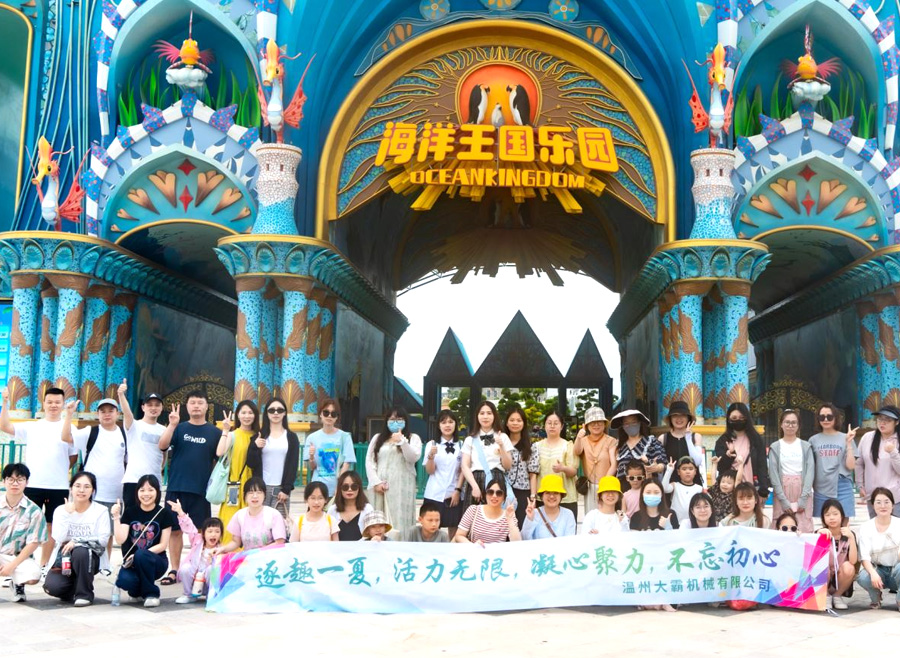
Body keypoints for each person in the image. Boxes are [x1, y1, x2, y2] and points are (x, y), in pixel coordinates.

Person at [0, 386, 76, 570]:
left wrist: (59, 470)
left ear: (63, 404)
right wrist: (5, 402)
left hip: (58, 486)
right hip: (33, 484)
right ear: (44, 403)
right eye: (49, 402)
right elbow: (5, 426)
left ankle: (44, 564)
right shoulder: (32, 426)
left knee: (51, 526)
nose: (53, 405)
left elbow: (73, 456)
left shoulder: (69, 427)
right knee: (25, 523)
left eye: (57, 402)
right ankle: (22, 562)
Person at [158, 391, 224, 585]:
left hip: (201, 490)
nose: (196, 406)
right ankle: (174, 569)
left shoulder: (214, 432)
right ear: (187, 406)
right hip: (177, 487)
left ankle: (199, 568)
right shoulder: (179, 428)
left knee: (202, 532)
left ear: (206, 406)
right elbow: (162, 446)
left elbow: (219, 458)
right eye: (192, 402)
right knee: (175, 531)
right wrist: (171, 425)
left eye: (200, 403)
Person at [62, 397, 126, 560]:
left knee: (108, 533)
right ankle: (86, 563)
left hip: (115, 493)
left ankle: (105, 565)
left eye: (110, 411)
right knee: (87, 529)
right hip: (91, 493)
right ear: (97, 414)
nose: (107, 414)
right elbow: (66, 437)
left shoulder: (124, 434)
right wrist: (69, 414)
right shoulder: (90, 432)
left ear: (117, 413)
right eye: (103, 411)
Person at [43, 472, 111, 607]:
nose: (81, 490)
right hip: (64, 557)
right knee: (53, 587)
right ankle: (74, 587)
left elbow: (103, 540)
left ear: (93, 490)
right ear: (71, 489)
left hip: (90, 557)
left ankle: (84, 595)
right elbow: (58, 537)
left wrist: (76, 541)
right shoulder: (61, 510)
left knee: (81, 551)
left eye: (87, 487)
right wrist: (67, 514)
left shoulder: (101, 511)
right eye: (77, 486)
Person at [111, 474, 172, 607]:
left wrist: (139, 555)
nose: (146, 494)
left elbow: (163, 545)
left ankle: (151, 594)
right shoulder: (130, 512)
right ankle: (137, 591)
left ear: (157, 492)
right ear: (137, 492)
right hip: (132, 564)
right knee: (124, 581)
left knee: (141, 555)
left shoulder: (164, 513)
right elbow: (120, 539)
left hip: (156, 561)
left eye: (150, 490)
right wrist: (116, 517)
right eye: (142, 490)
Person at [366, 406, 423, 536]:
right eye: (392, 419)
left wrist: (402, 442)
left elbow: (412, 458)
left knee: (400, 520)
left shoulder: (413, 438)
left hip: (402, 486)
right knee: (379, 520)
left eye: (399, 419)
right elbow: (369, 460)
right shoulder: (377, 438)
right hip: (380, 486)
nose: (395, 422)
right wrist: (376, 482)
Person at [246, 397, 300, 518]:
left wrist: (286, 489)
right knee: (259, 523)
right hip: (260, 488)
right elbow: (251, 463)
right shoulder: (259, 436)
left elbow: (293, 465)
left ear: (285, 413)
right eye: (272, 410)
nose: (276, 413)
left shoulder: (291, 437)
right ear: (266, 413)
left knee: (279, 524)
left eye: (279, 410)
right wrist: (255, 447)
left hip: (281, 489)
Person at [0, 463, 47, 602]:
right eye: (11, 479)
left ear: (27, 482)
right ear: (4, 481)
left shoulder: (34, 511)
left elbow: (33, 543)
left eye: (20, 479)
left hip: (17, 557)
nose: (15, 483)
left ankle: (17, 583)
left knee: (33, 575)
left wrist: (11, 566)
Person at [117, 382, 166, 514]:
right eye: (149, 405)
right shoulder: (134, 425)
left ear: (161, 408)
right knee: (130, 518)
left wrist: (158, 469)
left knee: (151, 520)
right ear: (143, 407)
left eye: (157, 405)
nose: (153, 408)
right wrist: (121, 395)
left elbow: (164, 453)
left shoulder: (164, 430)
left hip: (154, 482)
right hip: (133, 480)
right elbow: (127, 412)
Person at [216, 400, 259, 543]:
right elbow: (220, 452)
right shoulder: (233, 435)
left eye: (250, 413)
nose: (247, 416)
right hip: (234, 487)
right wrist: (225, 430)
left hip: (252, 488)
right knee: (230, 524)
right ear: (238, 415)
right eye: (243, 412)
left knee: (251, 525)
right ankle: (229, 554)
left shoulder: (258, 436)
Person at [767, 409, 815, 533]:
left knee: (803, 525)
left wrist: (803, 498)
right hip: (782, 489)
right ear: (781, 424)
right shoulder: (775, 447)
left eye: (794, 422)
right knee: (781, 524)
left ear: (798, 425)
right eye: (787, 422)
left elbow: (810, 472)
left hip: (802, 488)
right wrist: (783, 500)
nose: (790, 425)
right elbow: (773, 474)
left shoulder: (806, 446)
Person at [459, 401, 513, 510]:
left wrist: (501, 446)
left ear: (494, 416)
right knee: (473, 516)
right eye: (482, 413)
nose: (485, 416)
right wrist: (474, 486)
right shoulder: (470, 439)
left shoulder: (503, 437)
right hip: (475, 480)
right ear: (477, 416)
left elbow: (508, 466)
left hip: (497, 480)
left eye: (489, 413)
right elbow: (464, 466)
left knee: (497, 516)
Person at [809, 404, 858, 518]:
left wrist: (848, 443)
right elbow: (811, 467)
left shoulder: (846, 437)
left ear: (836, 418)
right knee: (823, 521)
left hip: (842, 484)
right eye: (822, 417)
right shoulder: (813, 440)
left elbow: (851, 466)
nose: (826, 420)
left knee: (844, 521)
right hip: (821, 485)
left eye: (829, 417)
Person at [215, 477, 287, 554]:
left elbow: (279, 542)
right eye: (251, 492)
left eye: (259, 492)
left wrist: (258, 553)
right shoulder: (240, 515)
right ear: (245, 496)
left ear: (264, 495)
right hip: (248, 559)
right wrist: (222, 549)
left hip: (269, 559)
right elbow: (236, 542)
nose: (255, 496)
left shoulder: (273, 514)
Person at [422, 409, 464, 538]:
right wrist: (431, 456)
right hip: (434, 494)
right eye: (443, 422)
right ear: (439, 425)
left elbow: (463, 470)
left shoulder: (461, 445)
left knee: (455, 530)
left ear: (455, 424)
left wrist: (457, 490)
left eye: (451, 422)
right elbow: (430, 471)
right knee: (431, 530)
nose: (447, 425)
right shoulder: (432, 444)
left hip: (454, 494)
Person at [169, 503, 223, 604]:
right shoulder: (197, 541)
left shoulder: (221, 549)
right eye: (210, 531)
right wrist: (180, 512)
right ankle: (188, 595)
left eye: (217, 531)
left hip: (209, 585)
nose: (213, 534)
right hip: (194, 580)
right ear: (203, 533)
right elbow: (189, 527)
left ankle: (212, 596)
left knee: (212, 569)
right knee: (185, 568)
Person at [714, 402, 769, 501]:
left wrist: (763, 490)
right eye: (734, 418)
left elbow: (762, 465)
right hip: (729, 493)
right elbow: (721, 467)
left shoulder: (756, 440)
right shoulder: (723, 441)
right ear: (728, 419)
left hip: (751, 489)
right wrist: (729, 456)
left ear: (747, 418)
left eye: (741, 418)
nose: (738, 420)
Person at [856, 488, 900, 609]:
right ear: (873, 506)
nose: (883, 506)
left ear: (892, 505)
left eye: (886, 502)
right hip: (878, 570)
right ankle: (876, 596)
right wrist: (873, 573)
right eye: (878, 502)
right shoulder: (866, 527)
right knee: (864, 577)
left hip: (897, 570)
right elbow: (864, 557)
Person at [304, 399, 355, 498]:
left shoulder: (345, 437)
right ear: (320, 414)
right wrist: (311, 456)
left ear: (337, 417)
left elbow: (347, 463)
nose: (329, 416)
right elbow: (312, 467)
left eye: (333, 414)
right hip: (318, 488)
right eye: (326, 413)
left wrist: (340, 485)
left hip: (337, 489)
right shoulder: (312, 438)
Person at [855, 406, 900, 518]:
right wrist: (860, 485)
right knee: (875, 527)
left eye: (888, 420)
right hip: (872, 496)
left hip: (894, 497)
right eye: (880, 419)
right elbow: (859, 463)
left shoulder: (897, 441)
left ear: (897, 422)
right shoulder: (867, 438)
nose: (882, 423)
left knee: (895, 527)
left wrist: (893, 452)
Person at [573, 406, 617, 513]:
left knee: (606, 515)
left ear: (604, 424)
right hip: (589, 486)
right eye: (592, 422)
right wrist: (578, 437)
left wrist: (605, 484)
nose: (596, 425)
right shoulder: (583, 440)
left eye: (599, 422)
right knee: (590, 516)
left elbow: (614, 464)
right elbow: (577, 451)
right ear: (587, 425)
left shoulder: (611, 441)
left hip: (607, 484)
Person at [453, 476, 521, 544]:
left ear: (504, 497)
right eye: (490, 492)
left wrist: (510, 520)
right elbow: (459, 535)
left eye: (499, 493)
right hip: (475, 550)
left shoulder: (509, 514)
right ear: (485, 494)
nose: (494, 496)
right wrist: (473, 545)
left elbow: (516, 542)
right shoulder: (473, 510)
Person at [535, 411, 578, 518]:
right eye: (549, 423)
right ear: (544, 425)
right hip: (543, 497)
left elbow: (573, 472)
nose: (552, 426)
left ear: (562, 426)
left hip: (565, 498)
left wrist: (563, 468)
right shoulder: (537, 446)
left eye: (556, 423)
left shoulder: (567, 445)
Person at [817, 499, 858, 610]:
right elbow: (812, 561)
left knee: (849, 567)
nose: (832, 518)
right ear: (823, 518)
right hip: (824, 578)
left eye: (835, 514)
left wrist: (851, 538)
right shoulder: (820, 533)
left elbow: (853, 561)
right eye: (827, 515)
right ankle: (825, 596)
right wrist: (818, 537)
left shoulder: (848, 534)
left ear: (842, 516)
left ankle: (837, 596)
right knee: (821, 566)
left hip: (840, 577)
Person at [504, 406, 540, 528]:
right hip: (504, 491)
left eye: (519, 420)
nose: (515, 423)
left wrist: (533, 496)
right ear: (507, 423)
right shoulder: (501, 443)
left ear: (524, 423)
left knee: (521, 527)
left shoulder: (531, 446)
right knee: (504, 527)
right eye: (512, 420)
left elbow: (533, 474)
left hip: (523, 492)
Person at [611, 409, 665, 480]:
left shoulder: (651, 441)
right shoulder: (619, 446)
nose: (630, 425)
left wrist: (656, 468)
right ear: (623, 426)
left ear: (639, 423)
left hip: (645, 484)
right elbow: (614, 467)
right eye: (626, 423)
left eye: (634, 422)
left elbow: (662, 463)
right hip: (623, 485)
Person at [660, 401, 705, 486]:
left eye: (683, 415)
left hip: (693, 485)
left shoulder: (696, 437)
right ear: (670, 418)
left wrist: (688, 438)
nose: (679, 419)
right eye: (675, 415)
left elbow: (697, 462)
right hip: (670, 486)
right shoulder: (663, 438)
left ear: (688, 418)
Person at [521, 474, 576, 540]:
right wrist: (529, 520)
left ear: (561, 496)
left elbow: (570, 541)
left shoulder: (568, 514)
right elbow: (524, 539)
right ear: (542, 496)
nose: (552, 496)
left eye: (556, 493)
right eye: (547, 493)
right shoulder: (534, 513)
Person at [326, 471, 373, 541]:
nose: (349, 489)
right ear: (340, 489)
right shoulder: (332, 510)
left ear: (359, 488)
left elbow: (373, 533)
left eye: (354, 486)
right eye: (345, 487)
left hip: (362, 548)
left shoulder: (367, 509)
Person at [662, 455, 703, 526]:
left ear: (695, 471)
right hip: (676, 523)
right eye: (684, 469)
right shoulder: (675, 485)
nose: (687, 472)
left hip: (693, 524)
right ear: (678, 472)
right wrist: (669, 470)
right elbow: (664, 488)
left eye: (691, 469)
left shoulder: (699, 488)